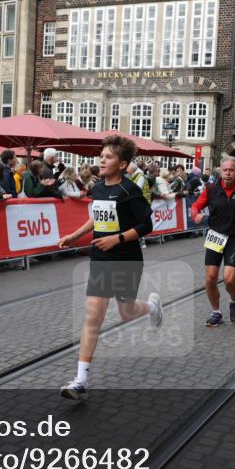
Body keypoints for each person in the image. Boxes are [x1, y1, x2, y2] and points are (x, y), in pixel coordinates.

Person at [56, 134, 162, 400]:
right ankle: (80, 380)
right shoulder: (99, 188)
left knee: (126, 312)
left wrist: (118, 238)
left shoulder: (131, 191)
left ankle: (151, 307)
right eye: (101, 156)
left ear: (123, 164)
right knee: (93, 315)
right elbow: (96, 218)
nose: (102, 161)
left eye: (109, 157)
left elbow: (147, 225)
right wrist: (74, 235)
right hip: (101, 259)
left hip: (126, 257)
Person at [189, 156, 235, 326]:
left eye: (231, 170)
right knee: (210, 278)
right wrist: (196, 215)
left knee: (229, 279)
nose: (228, 173)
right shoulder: (211, 189)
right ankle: (216, 312)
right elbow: (195, 206)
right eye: (225, 170)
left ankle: (234, 300)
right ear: (220, 171)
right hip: (215, 235)